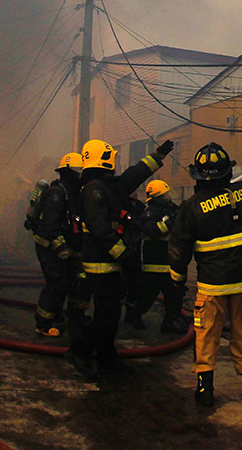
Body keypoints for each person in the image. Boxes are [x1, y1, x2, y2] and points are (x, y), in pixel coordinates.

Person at [168, 141, 242, 407]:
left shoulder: (190, 207)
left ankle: (205, 388)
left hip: (213, 287)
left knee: (206, 334)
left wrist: (177, 278)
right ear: (228, 172)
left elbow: (178, 247)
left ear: (197, 175)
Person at [64, 138, 174, 381]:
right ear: (103, 158)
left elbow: (134, 175)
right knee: (106, 315)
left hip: (110, 262)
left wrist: (158, 156)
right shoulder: (94, 189)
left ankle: (107, 359)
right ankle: (79, 351)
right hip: (102, 263)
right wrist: (125, 257)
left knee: (110, 314)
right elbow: (101, 230)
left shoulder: (106, 185)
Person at [124, 179, 189, 334]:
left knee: (174, 295)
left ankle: (171, 322)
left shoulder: (173, 209)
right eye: (164, 195)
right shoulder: (149, 212)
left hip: (171, 263)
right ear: (156, 197)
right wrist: (171, 222)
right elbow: (153, 230)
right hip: (154, 264)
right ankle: (134, 315)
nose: (168, 197)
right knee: (147, 295)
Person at [31, 154, 82, 336]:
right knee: (55, 282)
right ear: (69, 173)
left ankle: (57, 316)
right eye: (79, 172)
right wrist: (61, 248)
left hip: (58, 246)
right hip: (47, 245)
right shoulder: (57, 194)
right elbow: (50, 225)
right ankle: (43, 324)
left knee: (65, 282)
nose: (81, 176)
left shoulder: (71, 194)